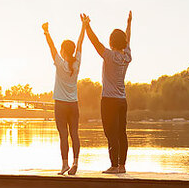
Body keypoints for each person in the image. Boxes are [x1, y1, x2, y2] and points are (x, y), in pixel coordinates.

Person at [82, 11, 132, 174]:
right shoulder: (127, 57)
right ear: (123, 42)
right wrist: (129, 24)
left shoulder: (109, 56)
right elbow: (128, 39)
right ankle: (122, 165)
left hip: (109, 100)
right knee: (121, 133)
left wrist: (87, 26)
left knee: (111, 132)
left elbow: (95, 42)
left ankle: (114, 165)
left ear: (111, 42)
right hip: (122, 101)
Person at [42, 17, 85, 175]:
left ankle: (64, 165)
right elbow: (80, 43)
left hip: (60, 104)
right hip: (73, 104)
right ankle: (75, 162)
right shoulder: (77, 63)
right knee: (74, 133)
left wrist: (46, 31)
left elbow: (51, 46)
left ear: (63, 51)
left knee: (63, 135)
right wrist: (84, 26)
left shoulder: (60, 64)